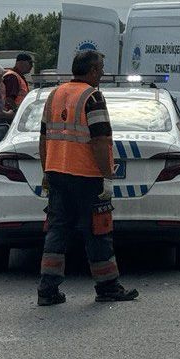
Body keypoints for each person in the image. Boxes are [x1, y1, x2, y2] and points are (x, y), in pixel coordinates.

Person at [36, 50, 138, 305]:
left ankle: (47, 290)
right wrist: (107, 177)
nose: (103, 72)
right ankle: (108, 287)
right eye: (101, 68)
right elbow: (101, 141)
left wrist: (46, 170)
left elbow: (44, 137)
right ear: (92, 70)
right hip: (87, 176)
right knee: (98, 230)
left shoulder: (55, 94)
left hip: (58, 172)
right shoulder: (92, 97)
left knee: (57, 230)